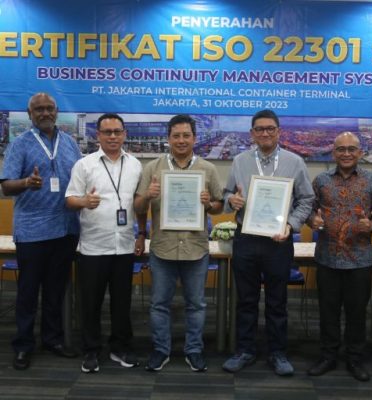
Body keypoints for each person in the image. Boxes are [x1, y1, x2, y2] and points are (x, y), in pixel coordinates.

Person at [222, 109, 314, 376]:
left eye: (270, 129)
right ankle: (245, 350)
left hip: (278, 241)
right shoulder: (240, 161)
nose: (265, 133)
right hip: (246, 238)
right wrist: (231, 200)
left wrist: (290, 225)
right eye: (259, 129)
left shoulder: (294, 162)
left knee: (277, 301)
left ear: (279, 132)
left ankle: (278, 353)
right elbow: (227, 193)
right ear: (252, 133)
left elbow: (306, 199)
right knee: (246, 299)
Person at [134, 114, 223, 372]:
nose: (181, 140)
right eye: (176, 136)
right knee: (159, 304)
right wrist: (147, 196)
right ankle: (161, 350)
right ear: (168, 138)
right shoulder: (153, 168)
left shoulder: (208, 169)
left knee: (196, 305)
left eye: (186, 135)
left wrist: (209, 204)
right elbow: (137, 206)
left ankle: (193, 350)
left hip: (196, 249)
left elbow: (219, 206)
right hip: (163, 248)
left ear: (194, 138)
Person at [0, 93, 81, 370]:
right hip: (33, 231)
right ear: (30, 114)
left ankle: (52, 339)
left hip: (66, 229)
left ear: (56, 112)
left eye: (49, 108)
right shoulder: (19, 144)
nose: (45, 113)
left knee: (55, 290)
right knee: (28, 291)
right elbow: (6, 186)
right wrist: (26, 182)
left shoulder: (70, 143)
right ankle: (23, 345)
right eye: (39, 110)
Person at [65, 113, 146, 373]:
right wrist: (83, 202)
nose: (112, 136)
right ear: (97, 135)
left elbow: (139, 204)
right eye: (107, 132)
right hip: (93, 247)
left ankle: (120, 347)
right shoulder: (84, 165)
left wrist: (142, 233)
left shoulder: (135, 165)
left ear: (124, 134)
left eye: (117, 132)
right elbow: (69, 199)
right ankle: (91, 350)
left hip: (124, 245)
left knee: (122, 303)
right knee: (91, 303)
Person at [306, 132, 372, 382]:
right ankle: (328, 356)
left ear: (360, 153)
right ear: (333, 153)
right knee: (328, 312)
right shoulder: (321, 180)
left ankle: (355, 358)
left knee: (357, 314)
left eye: (351, 149)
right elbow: (308, 209)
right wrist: (312, 219)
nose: (346, 154)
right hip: (327, 258)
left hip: (359, 260)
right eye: (341, 149)